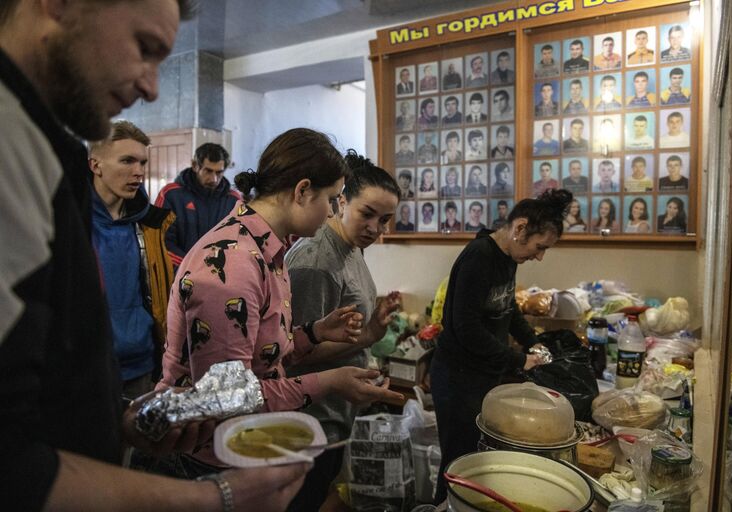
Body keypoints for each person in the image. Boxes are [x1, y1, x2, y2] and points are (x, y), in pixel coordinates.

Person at [0, 0, 313, 509]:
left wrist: (116, 419)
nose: (151, 87)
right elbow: (10, 463)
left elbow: (44, 374)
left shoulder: (41, 144)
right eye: (144, 48)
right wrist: (216, 499)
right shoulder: (9, 138)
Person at [158, 130, 404, 473]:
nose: (333, 211)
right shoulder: (231, 263)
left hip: (247, 441)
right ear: (303, 191)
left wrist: (315, 332)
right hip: (212, 455)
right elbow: (230, 397)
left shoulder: (267, 250)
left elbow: (263, 353)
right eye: (332, 199)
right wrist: (330, 381)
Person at [431, 189, 571, 504]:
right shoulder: (479, 257)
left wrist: (533, 342)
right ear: (520, 228)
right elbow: (466, 329)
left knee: (475, 461)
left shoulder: (508, 258)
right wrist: (517, 359)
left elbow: (507, 311)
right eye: (540, 247)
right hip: (457, 378)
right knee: (457, 463)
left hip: (482, 375)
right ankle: (444, 505)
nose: (539, 256)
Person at [283, 151, 402, 511]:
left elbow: (343, 327)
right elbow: (293, 352)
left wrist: (373, 324)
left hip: (335, 412)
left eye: (385, 220)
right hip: (310, 416)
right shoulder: (317, 261)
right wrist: (366, 337)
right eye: (367, 214)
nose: (375, 229)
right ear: (340, 201)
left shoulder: (351, 248)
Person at [89, 121, 174, 398]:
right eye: (127, 161)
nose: (138, 172)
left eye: (142, 162)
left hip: (142, 364)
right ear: (96, 165)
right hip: (84, 367)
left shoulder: (151, 226)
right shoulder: (68, 223)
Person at [155, 143, 239, 269]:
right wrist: (193, 268)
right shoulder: (171, 195)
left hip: (219, 279)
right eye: (208, 171)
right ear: (195, 165)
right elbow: (161, 241)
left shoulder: (234, 201)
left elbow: (240, 242)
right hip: (179, 278)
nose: (214, 179)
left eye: (219, 173)